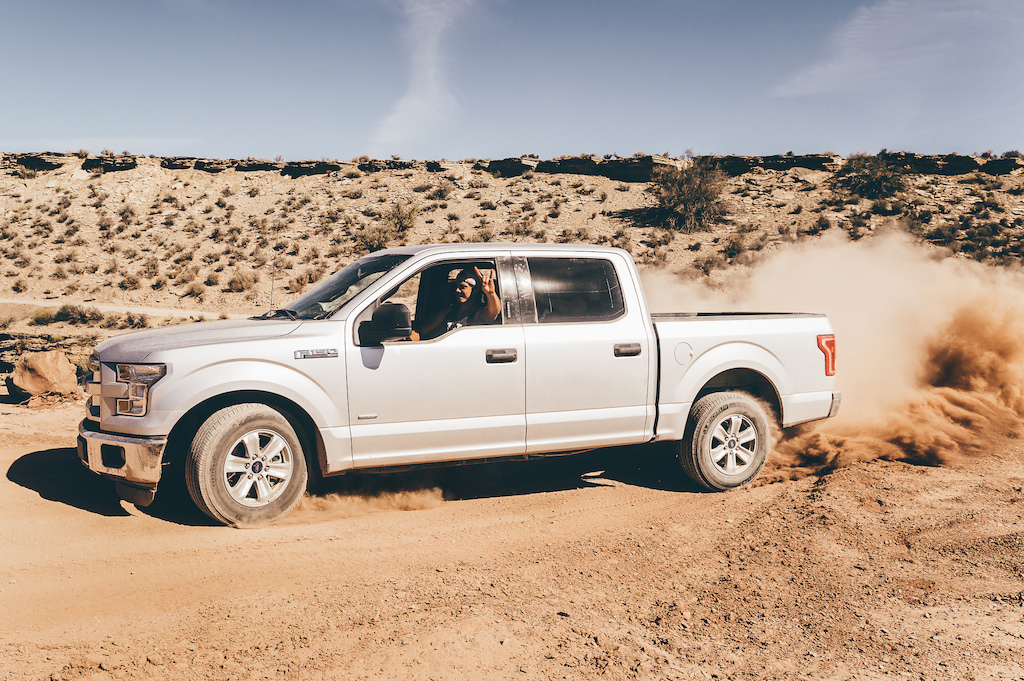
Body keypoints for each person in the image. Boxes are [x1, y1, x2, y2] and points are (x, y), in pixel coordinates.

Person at [414, 266, 500, 340]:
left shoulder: (478, 314)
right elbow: (422, 331)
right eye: (457, 286)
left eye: (462, 287)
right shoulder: (448, 311)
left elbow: (493, 312)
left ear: (476, 290)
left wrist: (490, 294)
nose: (457, 290)